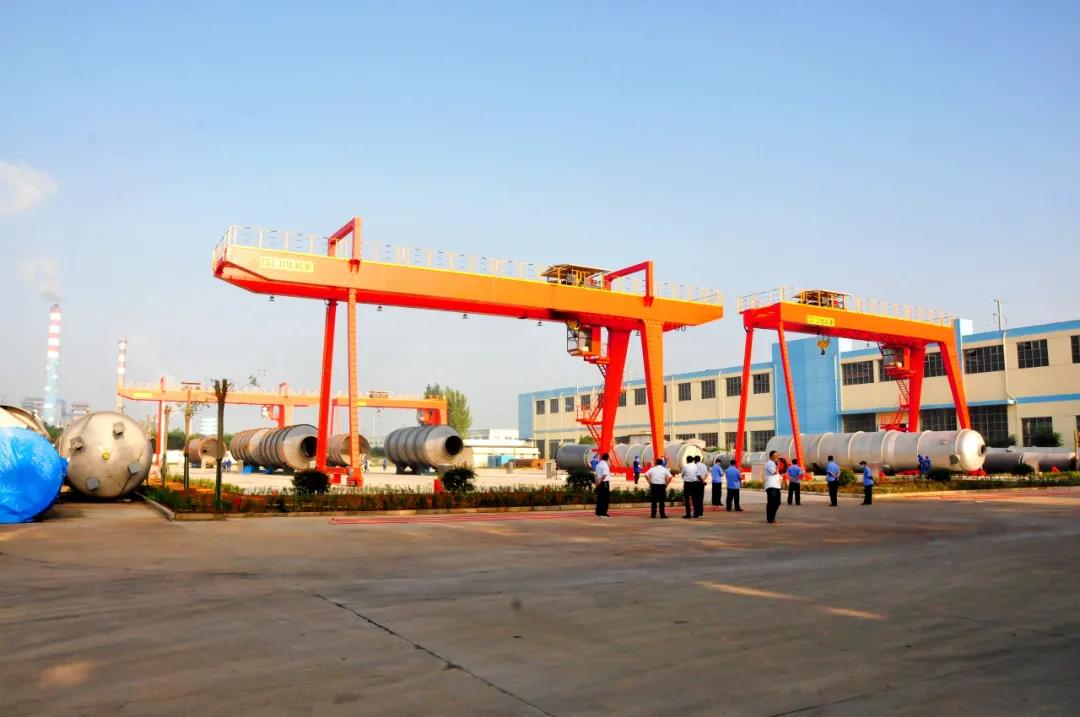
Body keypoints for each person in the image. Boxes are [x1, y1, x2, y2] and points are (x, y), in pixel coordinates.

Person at [764, 450, 782, 523]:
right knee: (771, 502)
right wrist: (778, 465)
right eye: (775, 456)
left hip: (776, 486)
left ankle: (772, 517)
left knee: (778, 502)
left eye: (777, 455)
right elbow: (775, 472)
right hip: (771, 486)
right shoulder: (769, 463)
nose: (777, 457)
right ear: (771, 456)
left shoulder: (774, 463)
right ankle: (770, 518)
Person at [594, 452, 612, 518]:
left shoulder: (598, 465)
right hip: (604, 483)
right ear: (607, 458)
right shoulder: (605, 465)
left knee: (600, 497)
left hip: (599, 483)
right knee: (605, 498)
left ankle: (598, 512)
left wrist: (597, 482)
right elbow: (604, 475)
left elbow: (595, 475)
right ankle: (603, 513)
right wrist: (600, 482)